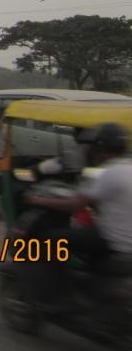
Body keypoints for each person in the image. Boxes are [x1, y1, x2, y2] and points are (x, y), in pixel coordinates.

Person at [24, 123, 132, 311]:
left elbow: (75, 203)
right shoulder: (126, 168)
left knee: (50, 240)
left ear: (100, 146)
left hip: (114, 241)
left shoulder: (110, 171)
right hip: (120, 236)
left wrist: (39, 201)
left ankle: (57, 298)